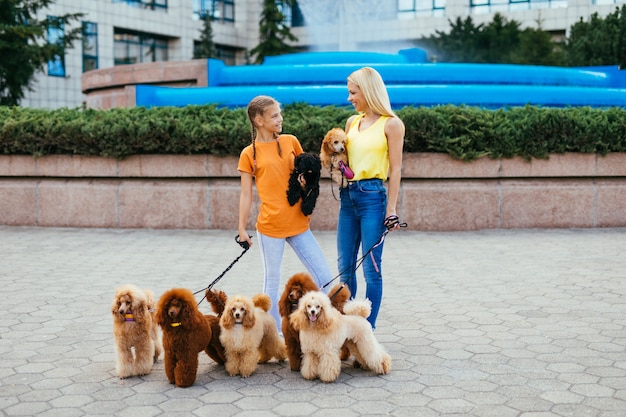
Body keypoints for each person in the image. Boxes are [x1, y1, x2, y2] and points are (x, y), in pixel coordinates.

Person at [237, 95, 333, 329]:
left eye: (280, 114)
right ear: (258, 120)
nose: (280, 119)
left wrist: (305, 184)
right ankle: (273, 335)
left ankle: (334, 326)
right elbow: (246, 194)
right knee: (271, 282)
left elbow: (306, 174)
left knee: (326, 277)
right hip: (270, 226)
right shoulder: (249, 153)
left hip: (298, 221)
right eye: (274, 115)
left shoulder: (291, 141)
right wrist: (241, 228)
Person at [337, 67, 405, 330]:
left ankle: (368, 330)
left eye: (353, 93)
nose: (349, 98)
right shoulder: (351, 123)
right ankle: (346, 328)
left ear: (367, 90)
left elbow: (396, 169)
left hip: (373, 199)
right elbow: (344, 161)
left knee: (371, 269)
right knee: (345, 268)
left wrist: (392, 209)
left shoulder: (391, 124)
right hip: (348, 198)